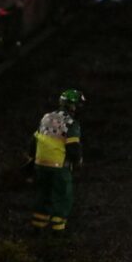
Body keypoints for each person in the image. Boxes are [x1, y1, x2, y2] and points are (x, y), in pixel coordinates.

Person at [30, 89, 83, 232]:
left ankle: (38, 226)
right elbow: (73, 147)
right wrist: (78, 161)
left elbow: (34, 140)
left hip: (40, 164)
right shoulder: (71, 123)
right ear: (73, 106)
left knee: (43, 194)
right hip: (59, 167)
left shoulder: (46, 118)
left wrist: (31, 159)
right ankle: (57, 230)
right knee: (63, 196)